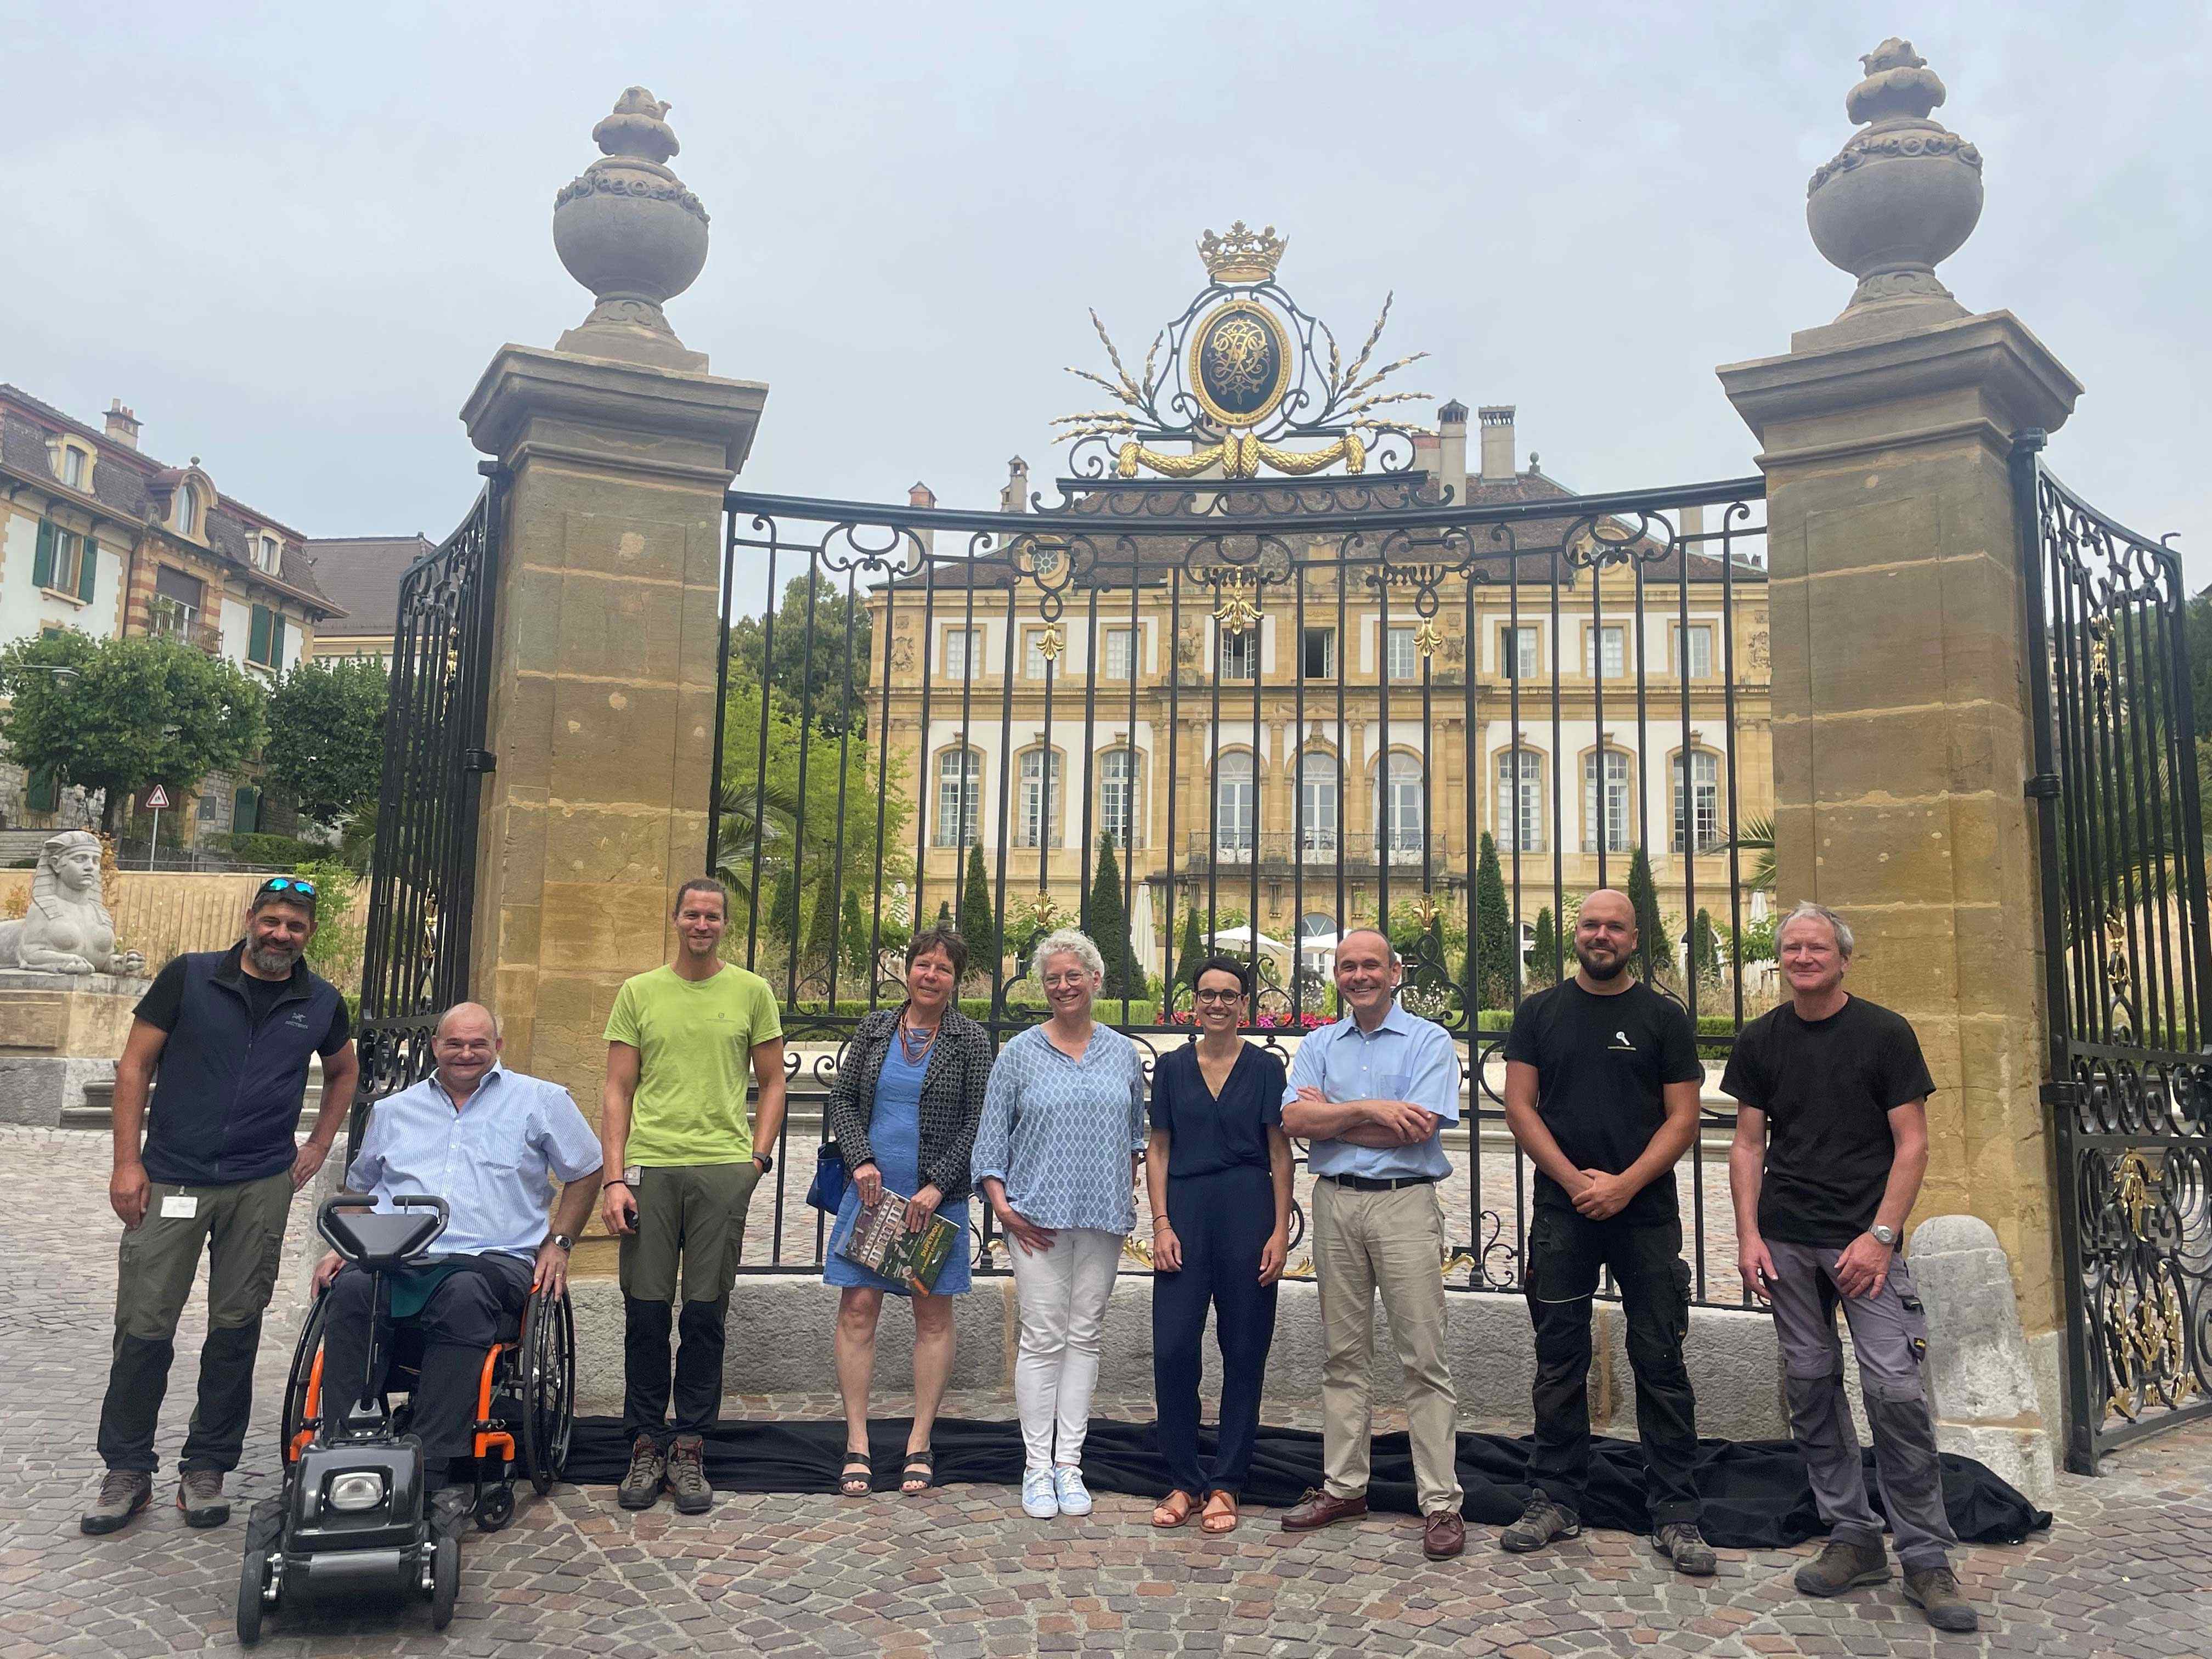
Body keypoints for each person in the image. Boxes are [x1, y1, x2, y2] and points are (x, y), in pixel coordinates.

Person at [1723, 901, 1978, 1634]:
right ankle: (1855, 1536)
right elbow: (1747, 1145)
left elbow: (1914, 1144)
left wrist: (1882, 1236)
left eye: (1818, 947)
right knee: (1808, 1385)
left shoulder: (1884, 1033)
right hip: (1787, 1240)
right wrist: (1747, 1235)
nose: (1804, 957)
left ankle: (1927, 1557)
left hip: (1864, 1244)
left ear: (1843, 958)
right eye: (1793, 948)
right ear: (1784, 960)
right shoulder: (1761, 1039)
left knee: (1895, 1391)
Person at [83, 875, 359, 1535]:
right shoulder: (190, 978)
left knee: (236, 1327)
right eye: (271, 921)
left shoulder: (320, 1001)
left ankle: (207, 1465)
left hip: (260, 1183)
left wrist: (320, 1142)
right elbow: (133, 1068)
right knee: (145, 1324)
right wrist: (128, 1162)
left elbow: (345, 1068)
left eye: (295, 926)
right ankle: (127, 1468)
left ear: (309, 934)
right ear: (250, 919)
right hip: (172, 1177)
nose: (280, 935)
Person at [1499, 888, 1714, 1574]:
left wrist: (1623, 1184)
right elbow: (1520, 1107)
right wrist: (1574, 1181)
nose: (1601, 935)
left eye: (1614, 926)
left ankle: (1676, 1512)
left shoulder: (1663, 1017)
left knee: (1659, 1360)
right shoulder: (1540, 1013)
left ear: (1635, 937)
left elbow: (1683, 1118)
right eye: (1591, 924)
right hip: (1564, 1213)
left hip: (1645, 1214)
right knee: (1559, 1359)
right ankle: (1556, 1497)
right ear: (1578, 935)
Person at [312, 1003, 602, 1491]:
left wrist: (560, 1242)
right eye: (455, 1044)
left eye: (478, 1044)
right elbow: (360, 1192)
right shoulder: (392, 1111)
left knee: (462, 1294)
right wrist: (349, 1244)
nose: (466, 1053)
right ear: (434, 1047)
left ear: (498, 1047)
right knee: (353, 1291)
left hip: (493, 1260)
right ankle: (346, 1451)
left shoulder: (541, 1100)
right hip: (399, 1259)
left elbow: (588, 1168)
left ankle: (432, 1461)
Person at [1279, 927, 1468, 1563]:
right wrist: (1374, 1110)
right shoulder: (1317, 1043)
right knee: (1342, 1354)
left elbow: (1419, 1130)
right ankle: (1344, 1487)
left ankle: (1441, 1502)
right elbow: (1295, 1122)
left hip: (1404, 1204)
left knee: (1423, 1355)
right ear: (1337, 976)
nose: (1358, 975)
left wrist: (1337, 1117)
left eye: (1370, 966)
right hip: (1335, 1203)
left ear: (1396, 972)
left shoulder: (1430, 1041)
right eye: (1347, 966)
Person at [601, 876, 788, 1515]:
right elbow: (618, 1089)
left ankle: (690, 1444)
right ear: (675, 919)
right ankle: (645, 1441)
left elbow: (772, 1081)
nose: (701, 924)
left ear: (724, 925)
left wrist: (755, 1160)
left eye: (712, 916)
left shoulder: (751, 992)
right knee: (646, 1312)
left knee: (705, 1314)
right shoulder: (639, 993)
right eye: (691, 914)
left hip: (720, 1172)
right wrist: (612, 1176)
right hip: (652, 1170)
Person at [972, 928, 1147, 1521]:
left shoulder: (1122, 1053)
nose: (1065, 986)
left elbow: (1134, 1138)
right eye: (1054, 978)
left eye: (1075, 975)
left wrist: (1126, 1189)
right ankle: (1035, 1466)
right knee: (1043, 1336)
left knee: (1085, 1335)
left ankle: (1070, 1463)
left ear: (1096, 980)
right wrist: (1002, 1207)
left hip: (1100, 1217)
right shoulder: (1020, 1053)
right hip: (1035, 1218)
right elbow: (991, 1140)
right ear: (1042, 986)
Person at [822, 926, 991, 1497]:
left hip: (931, 1202)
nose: (931, 976)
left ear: (954, 979)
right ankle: (858, 1442)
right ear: (908, 969)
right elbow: (842, 1099)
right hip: (870, 1193)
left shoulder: (969, 1040)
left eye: (943, 968)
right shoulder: (874, 1028)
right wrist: (861, 1160)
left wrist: (937, 1184)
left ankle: (919, 1441)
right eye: (923, 965)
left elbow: (979, 1120)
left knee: (932, 1317)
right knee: (859, 1310)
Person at [1146, 955, 1292, 1536]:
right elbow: (1159, 1148)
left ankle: (1227, 1481)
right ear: (1193, 1001)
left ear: (1246, 1005)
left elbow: (1279, 1152)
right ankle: (1184, 1479)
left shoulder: (1264, 1069)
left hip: (1247, 1212)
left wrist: (1280, 1230)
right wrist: (1160, 1223)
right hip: (1184, 1210)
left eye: (1229, 995)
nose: (1217, 1004)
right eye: (1207, 994)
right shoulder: (1173, 1068)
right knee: (1174, 1349)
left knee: (1245, 1350)